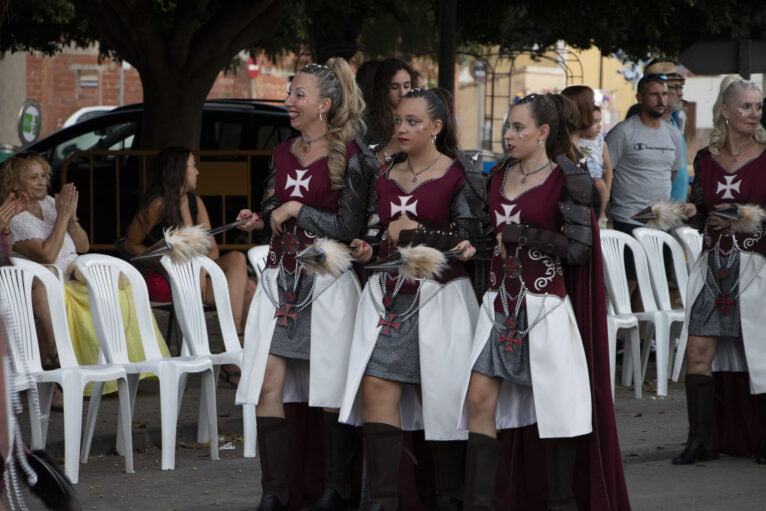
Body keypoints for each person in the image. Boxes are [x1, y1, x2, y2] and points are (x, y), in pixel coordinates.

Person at [458, 93, 630, 510]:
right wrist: (470, 246)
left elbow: (578, 249)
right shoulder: (497, 177)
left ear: (543, 132)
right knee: (478, 398)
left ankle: (561, 502)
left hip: (545, 307)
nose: (509, 135)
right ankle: (480, 503)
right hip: (498, 307)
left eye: (519, 128)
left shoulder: (567, 180)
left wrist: (523, 235)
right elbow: (490, 236)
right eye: (507, 126)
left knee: (557, 408)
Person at [234, 58, 373, 511]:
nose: (288, 102)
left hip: (327, 281)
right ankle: (274, 492)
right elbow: (272, 210)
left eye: (299, 94)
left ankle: (335, 488)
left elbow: (349, 224)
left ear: (324, 105)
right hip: (280, 281)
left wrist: (296, 209)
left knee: (327, 383)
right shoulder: (281, 153)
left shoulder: (352, 155)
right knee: (266, 381)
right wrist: (257, 219)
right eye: (289, 93)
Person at [340, 88, 483, 511]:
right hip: (386, 299)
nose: (401, 129)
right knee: (376, 385)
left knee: (442, 393)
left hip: (441, 299)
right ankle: (383, 500)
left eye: (413, 122)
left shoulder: (461, 174)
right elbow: (374, 231)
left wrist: (413, 234)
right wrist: (367, 249)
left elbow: (470, 241)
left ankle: (448, 496)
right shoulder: (383, 174)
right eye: (399, 120)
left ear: (436, 128)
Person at [0, 153, 169, 390]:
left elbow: (82, 246)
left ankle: (124, 365)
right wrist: (62, 216)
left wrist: (71, 218)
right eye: (34, 177)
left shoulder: (49, 202)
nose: (42, 182)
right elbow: (47, 255)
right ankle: (63, 359)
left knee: (122, 286)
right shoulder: (14, 214)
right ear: (14, 182)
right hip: (43, 279)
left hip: (73, 272)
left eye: (45, 176)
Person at [674, 76, 766, 466]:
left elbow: (735, 214)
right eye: (744, 106)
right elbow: (702, 211)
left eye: (758, 107)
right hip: (713, 267)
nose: (753, 113)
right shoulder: (705, 159)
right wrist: (688, 213)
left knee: (760, 353)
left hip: (756, 265)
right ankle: (699, 440)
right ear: (725, 111)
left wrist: (735, 215)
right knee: (697, 350)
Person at [123, 146, 256, 345]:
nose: (197, 172)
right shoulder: (158, 204)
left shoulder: (196, 202)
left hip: (198, 275)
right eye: (193, 167)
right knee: (249, 288)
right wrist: (168, 258)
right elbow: (129, 243)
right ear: (179, 171)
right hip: (172, 278)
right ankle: (234, 347)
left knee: (238, 260)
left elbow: (213, 250)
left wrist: (199, 266)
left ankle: (234, 345)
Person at [607, 73, 684, 235]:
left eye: (664, 94)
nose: (661, 100)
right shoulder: (622, 132)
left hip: (662, 219)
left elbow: (672, 172)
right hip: (629, 219)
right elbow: (607, 172)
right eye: (654, 94)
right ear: (640, 98)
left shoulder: (673, 134)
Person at [627, 59, 689, 202]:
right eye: (675, 87)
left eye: (681, 87)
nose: (680, 93)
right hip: (653, 213)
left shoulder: (674, 119)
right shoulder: (639, 125)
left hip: (675, 212)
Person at [561, 85, 613, 228]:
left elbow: (608, 171)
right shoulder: (564, 146)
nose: (594, 107)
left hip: (589, 216)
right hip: (575, 221)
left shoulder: (590, 143)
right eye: (590, 103)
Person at [364, 58, 417, 164]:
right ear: (383, 89)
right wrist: (390, 149)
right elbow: (361, 171)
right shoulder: (366, 123)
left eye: (407, 86)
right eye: (394, 87)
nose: (402, 93)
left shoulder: (418, 118)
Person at [580, 106, 613, 227]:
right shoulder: (576, 142)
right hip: (584, 178)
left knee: (600, 184)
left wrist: (608, 189)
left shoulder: (600, 143)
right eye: (594, 122)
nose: (599, 126)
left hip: (598, 180)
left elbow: (609, 168)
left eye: (599, 121)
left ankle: (602, 215)